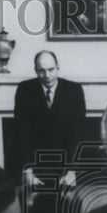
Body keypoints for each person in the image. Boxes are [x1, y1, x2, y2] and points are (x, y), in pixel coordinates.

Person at [13, 51, 87, 187]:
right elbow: (21, 133)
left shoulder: (74, 90)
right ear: (35, 70)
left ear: (58, 68)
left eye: (51, 70)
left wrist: (72, 171)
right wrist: (28, 170)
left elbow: (78, 133)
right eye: (41, 71)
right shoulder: (24, 90)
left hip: (67, 167)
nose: (47, 75)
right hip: (36, 167)